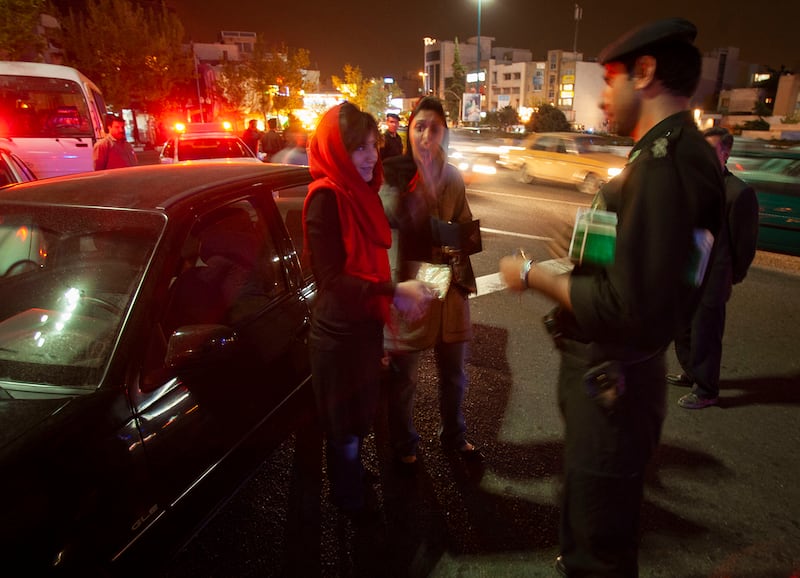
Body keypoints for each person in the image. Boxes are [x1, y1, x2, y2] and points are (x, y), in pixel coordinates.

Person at [498, 18, 725, 576]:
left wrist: (535, 276)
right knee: (595, 520)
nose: (603, 97)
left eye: (609, 79)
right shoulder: (681, 155)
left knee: (597, 547)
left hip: (613, 385)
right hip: (626, 378)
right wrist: (589, 256)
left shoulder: (662, 166)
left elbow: (626, 306)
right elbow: (667, 273)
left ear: (644, 73)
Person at [303, 102, 430, 516]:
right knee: (343, 427)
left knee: (359, 416)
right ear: (336, 148)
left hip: (363, 328)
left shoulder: (363, 192)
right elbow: (332, 281)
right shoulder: (326, 198)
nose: (371, 156)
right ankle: (347, 498)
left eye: (373, 146)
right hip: (338, 337)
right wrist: (393, 291)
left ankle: (351, 473)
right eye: (359, 148)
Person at [380, 96, 481, 473]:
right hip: (408, 290)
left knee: (454, 375)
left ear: (443, 134)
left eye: (434, 129)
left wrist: (461, 238)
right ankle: (404, 443)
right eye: (419, 127)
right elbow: (385, 232)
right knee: (404, 379)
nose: (425, 136)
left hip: (447, 287)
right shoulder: (394, 174)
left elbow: (465, 222)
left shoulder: (452, 176)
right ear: (409, 130)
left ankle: (453, 435)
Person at [670, 127, 760, 409]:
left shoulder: (738, 192)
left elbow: (744, 244)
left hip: (714, 275)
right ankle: (691, 372)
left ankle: (707, 389)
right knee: (682, 327)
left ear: (726, 152)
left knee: (706, 333)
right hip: (687, 271)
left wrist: (734, 274)